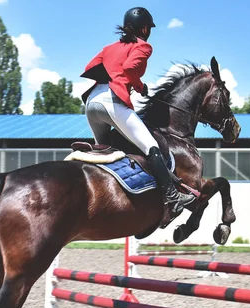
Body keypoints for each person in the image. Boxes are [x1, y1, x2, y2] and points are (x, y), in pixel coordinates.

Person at [80, 6, 194, 216]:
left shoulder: (108, 47)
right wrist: (139, 87)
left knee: (106, 150)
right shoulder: (144, 46)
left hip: (92, 102)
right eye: (148, 28)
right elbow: (131, 69)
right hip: (112, 102)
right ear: (143, 29)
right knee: (151, 147)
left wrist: (112, 71)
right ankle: (173, 196)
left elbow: (90, 66)